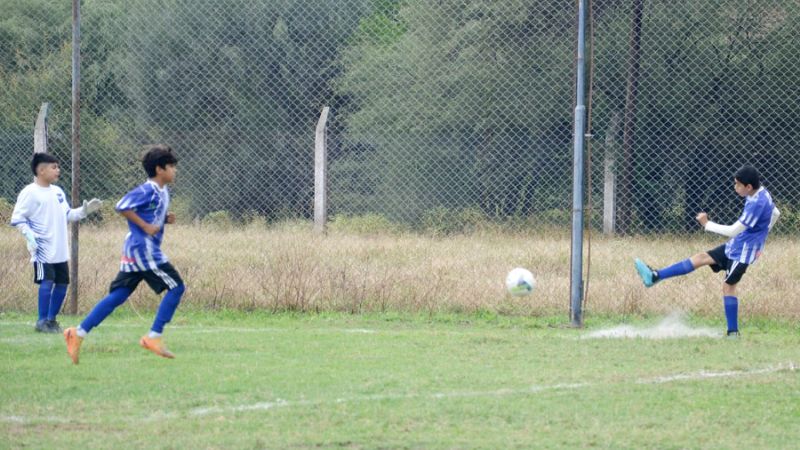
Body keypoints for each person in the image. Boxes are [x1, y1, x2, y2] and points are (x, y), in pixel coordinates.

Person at [64, 145, 186, 364]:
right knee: (177, 287)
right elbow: (122, 206)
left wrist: (163, 218)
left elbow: (147, 210)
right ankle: (153, 336)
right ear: (159, 169)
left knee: (119, 295)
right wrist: (146, 227)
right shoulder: (148, 189)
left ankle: (77, 333)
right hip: (144, 250)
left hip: (135, 251)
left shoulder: (161, 191)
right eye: (171, 167)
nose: (175, 171)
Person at [634, 165, 780, 337]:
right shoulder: (761, 192)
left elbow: (734, 230)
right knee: (701, 257)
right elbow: (776, 213)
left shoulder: (757, 203)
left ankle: (733, 332)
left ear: (748, 187)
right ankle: (654, 276)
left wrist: (707, 224)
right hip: (737, 245)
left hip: (744, 252)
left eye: (737, 184)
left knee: (728, 286)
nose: (735, 187)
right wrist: (763, 233)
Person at [10, 153, 102, 333]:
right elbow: (17, 218)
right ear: (41, 170)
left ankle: (51, 320)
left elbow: (67, 214)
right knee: (47, 280)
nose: (58, 170)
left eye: (58, 167)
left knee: (62, 283)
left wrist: (84, 211)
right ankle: (41, 320)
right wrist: (29, 235)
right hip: (42, 247)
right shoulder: (30, 192)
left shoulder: (58, 191)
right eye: (54, 167)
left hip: (59, 248)